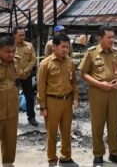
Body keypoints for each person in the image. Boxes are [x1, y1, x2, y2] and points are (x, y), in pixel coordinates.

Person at [79, 26, 117, 165]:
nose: (112, 40)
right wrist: (100, 84)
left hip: (114, 92)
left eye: (113, 37)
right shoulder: (91, 53)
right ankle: (98, 154)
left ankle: (114, 153)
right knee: (97, 124)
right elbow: (83, 74)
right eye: (109, 37)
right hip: (98, 92)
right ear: (101, 38)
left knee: (113, 124)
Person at [37, 34, 79, 167]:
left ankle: (66, 156)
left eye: (67, 47)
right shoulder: (45, 64)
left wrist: (75, 98)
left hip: (67, 101)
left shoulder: (70, 62)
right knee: (52, 133)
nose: (65, 49)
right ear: (54, 47)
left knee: (66, 131)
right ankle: (52, 159)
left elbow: (74, 82)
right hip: (52, 102)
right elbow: (41, 87)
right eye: (63, 46)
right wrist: (43, 106)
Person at [0, 36, 20, 165]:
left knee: (10, 141)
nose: (11, 54)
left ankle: (8, 163)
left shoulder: (17, 62)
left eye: (13, 51)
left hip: (12, 110)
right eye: (8, 51)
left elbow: (22, 75)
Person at [13, 26, 38, 126]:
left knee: (29, 97)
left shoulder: (29, 46)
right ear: (14, 35)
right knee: (12, 98)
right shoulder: (9, 46)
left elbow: (33, 60)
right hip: (13, 77)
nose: (22, 37)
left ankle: (31, 117)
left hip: (26, 76)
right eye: (20, 35)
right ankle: (13, 118)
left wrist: (26, 70)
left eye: (23, 35)